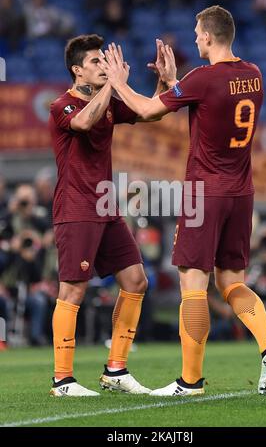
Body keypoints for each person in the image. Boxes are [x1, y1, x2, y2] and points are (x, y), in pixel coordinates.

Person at [99, 5, 266, 396]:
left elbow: (151, 109)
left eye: (198, 32)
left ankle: (190, 381)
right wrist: (172, 81)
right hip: (242, 192)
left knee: (193, 285)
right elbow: (206, 99)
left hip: (206, 192)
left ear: (208, 36)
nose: (195, 37)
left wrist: (118, 82)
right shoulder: (254, 74)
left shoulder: (203, 78)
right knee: (233, 281)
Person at [48, 34, 164, 397]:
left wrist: (164, 78)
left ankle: (116, 369)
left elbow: (150, 110)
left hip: (106, 207)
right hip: (76, 207)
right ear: (76, 69)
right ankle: (62, 380)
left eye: (105, 60)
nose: (103, 66)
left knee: (135, 281)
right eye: (95, 62)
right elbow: (83, 123)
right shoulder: (61, 106)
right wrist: (113, 85)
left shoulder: (110, 101)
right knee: (73, 290)